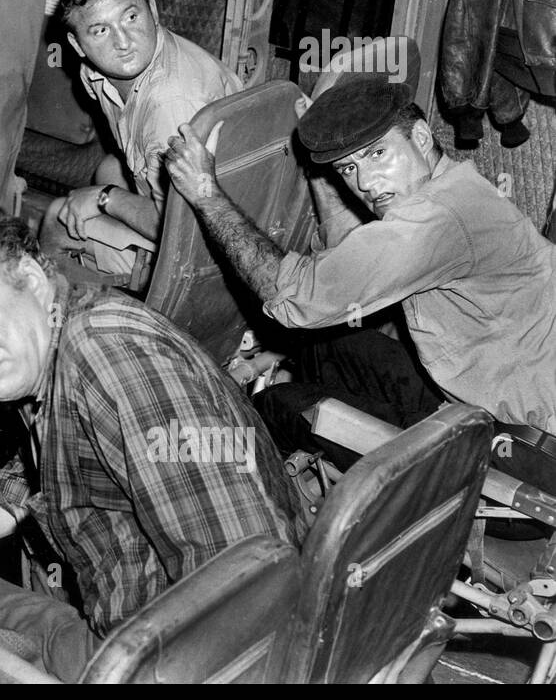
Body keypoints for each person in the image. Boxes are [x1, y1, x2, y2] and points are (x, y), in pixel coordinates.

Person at [0, 210, 303, 681]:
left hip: (167, 661)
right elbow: (36, 475)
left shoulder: (105, 359)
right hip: (149, 624)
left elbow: (243, 579)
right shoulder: (63, 336)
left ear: (29, 279)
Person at [163, 77, 556, 435]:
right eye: (348, 167)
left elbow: (296, 296)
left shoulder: (438, 221)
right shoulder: (453, 185)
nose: (365, 182)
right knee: (322, 347)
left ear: (420, 137)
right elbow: (347, 255)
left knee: (278, 406)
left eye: (378, 154)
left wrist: (205, 194)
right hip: (492, 373)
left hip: (517, 431)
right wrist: (319, 167)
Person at [40, 0, 242, 279]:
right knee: (108, 168)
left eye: (131, 17)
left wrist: (105, 199)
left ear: (153, 10)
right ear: (78, 45)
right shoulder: (94, 71)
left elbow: (179, 226)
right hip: (207, 198)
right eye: (101, 30)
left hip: (210, 248)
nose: (123, 42)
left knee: (58, 217)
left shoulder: (170, 106)